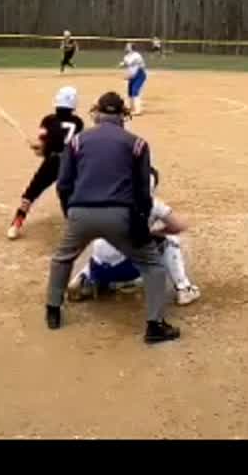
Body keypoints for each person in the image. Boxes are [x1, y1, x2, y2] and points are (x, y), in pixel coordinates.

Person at [44, 92, 181, 344]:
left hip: (80, 211)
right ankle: (155, 325)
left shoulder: (77, 142)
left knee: (62, 258)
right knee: (152, 264)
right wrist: (140, 224)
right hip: (120, 215)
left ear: (96, 113)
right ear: (122, 115)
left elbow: (63, 185)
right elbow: (143, 192)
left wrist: (70, 214)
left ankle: (53, 311)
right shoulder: (137, 143)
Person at [67, 168, 201, 306]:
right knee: (169, 242)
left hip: (98, 267)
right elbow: (179, 227)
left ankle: (86, 278)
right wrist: (153, 232)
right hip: (126, 268)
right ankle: (184, 289)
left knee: (105, 242)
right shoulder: (153, 204)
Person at [8, 86, 85, 240]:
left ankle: (17, 223)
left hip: (52, 161)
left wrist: (37, 147)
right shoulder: (78, 122)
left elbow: (42, 150)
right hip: (71, 163)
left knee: (32, 192)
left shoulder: (48, 120)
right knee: (73, 194)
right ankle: (76, 227)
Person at [120, 43, 149, 114]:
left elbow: (138, 65)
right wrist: (124, 65)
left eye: (128, 46)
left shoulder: (137, 55)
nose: (126, 47)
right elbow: (129, 67)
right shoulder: (126, 56)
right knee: (130, 92)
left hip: (139, 75)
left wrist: (125, 64)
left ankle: (138, 110)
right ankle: (131, 107)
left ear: (131, 48)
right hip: (132, 75)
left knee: (135, 91)